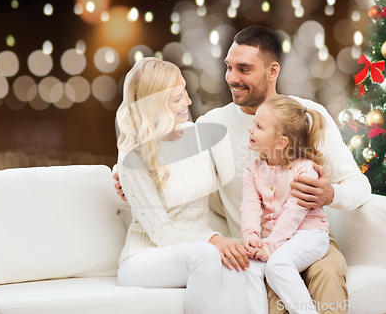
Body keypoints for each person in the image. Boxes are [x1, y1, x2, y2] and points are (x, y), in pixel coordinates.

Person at [115, 26, 371, 314]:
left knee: (327, 276)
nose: (232, 78)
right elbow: (164, 154)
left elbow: (359, 186)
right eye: (229, 67)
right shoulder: (211, 126)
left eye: (244, 69)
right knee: (274, 293)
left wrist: (330, 193)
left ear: (272, 71)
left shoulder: (308, 115)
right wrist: (126, 174)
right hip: (256, 248)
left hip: (308, 237)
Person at [114, 57, 249, 314]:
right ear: (154, 105)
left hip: (197, 247)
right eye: (177, 98)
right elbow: (161, 233)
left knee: (240, 261)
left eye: (185, 91)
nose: (188, 101)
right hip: (145, 256)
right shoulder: (133, 156)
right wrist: (213, 239)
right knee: (208, 255)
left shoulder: (195, 135)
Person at [242, 95, 330, 314]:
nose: (251, 129)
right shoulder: (251, 169)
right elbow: (250, 206)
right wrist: (251, 237)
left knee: (277, 265)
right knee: (249, 266)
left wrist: (270, 246)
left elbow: (293, 213)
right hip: (277, 239)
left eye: (259, 126)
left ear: (281, 142)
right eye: (254, 123)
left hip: (309, 234)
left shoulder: (305, 168)